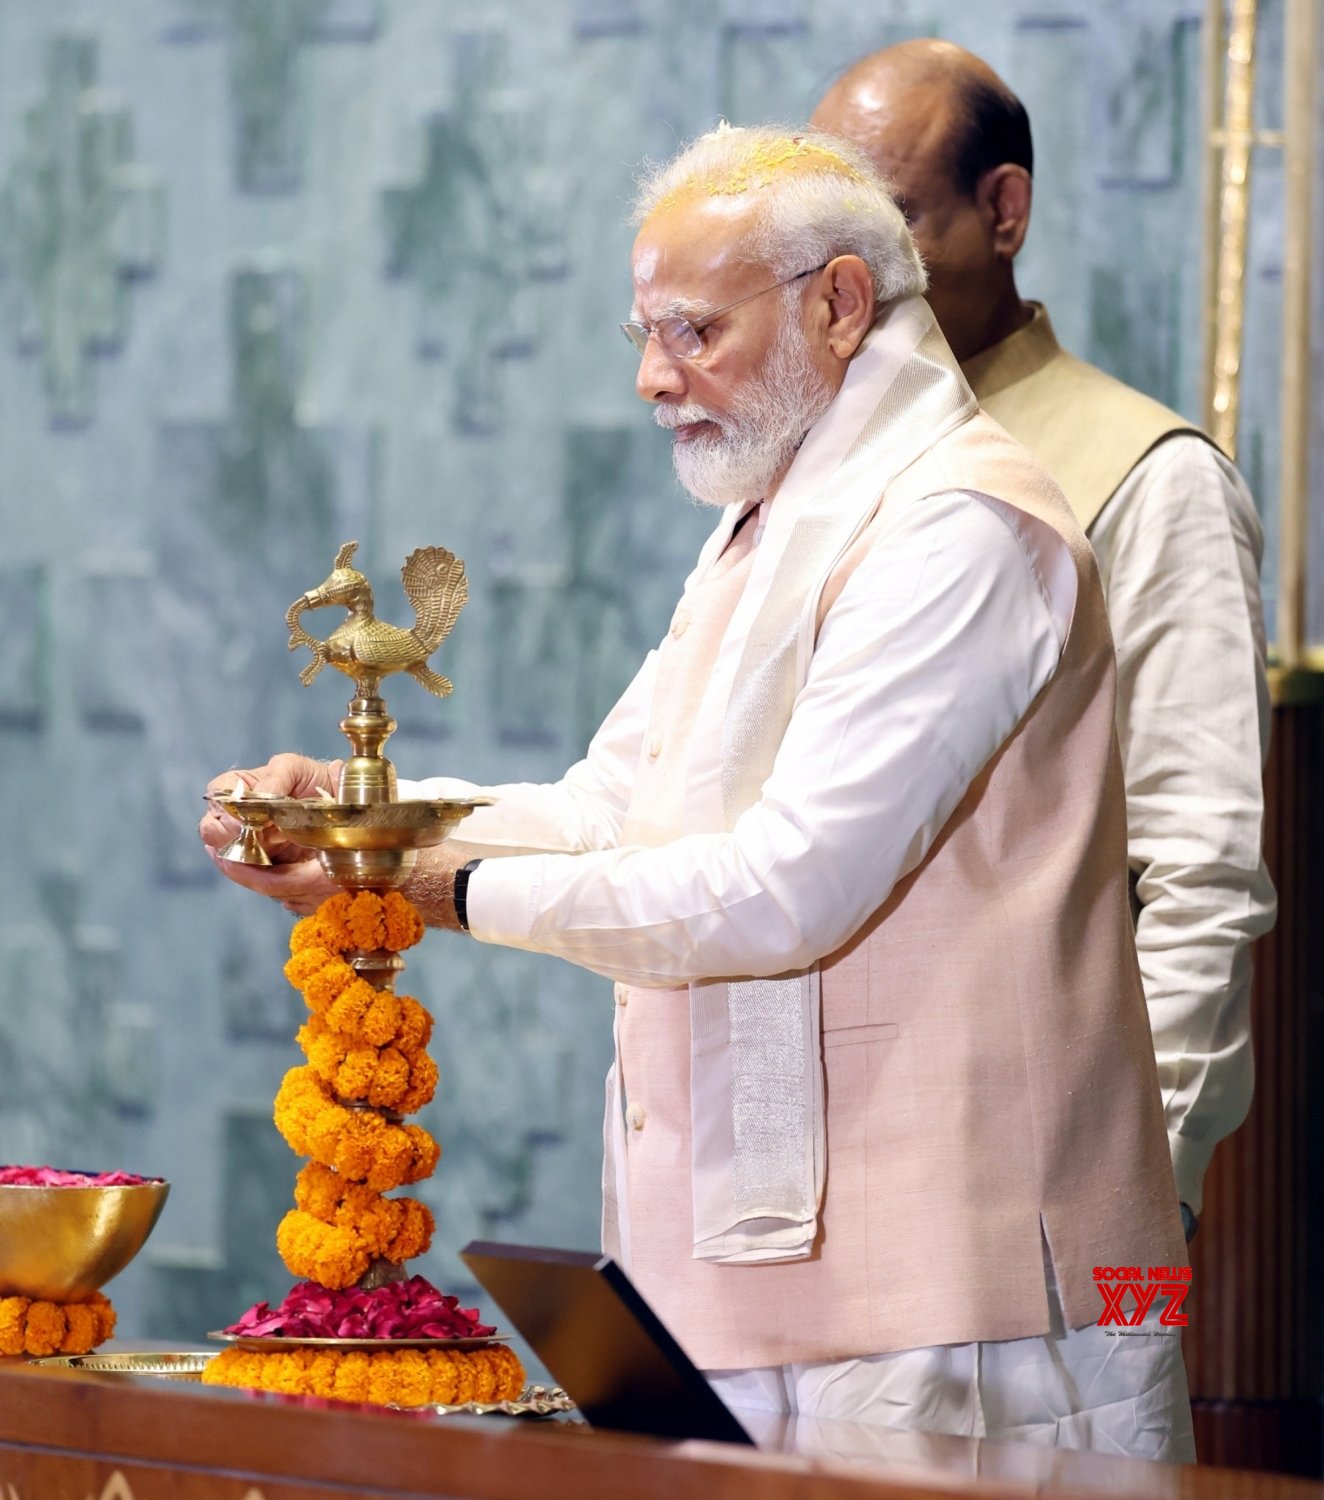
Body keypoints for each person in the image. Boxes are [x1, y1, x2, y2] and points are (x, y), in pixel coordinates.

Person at [202, 125, 1193, 1459]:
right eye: (642, 336)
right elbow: (617, 805)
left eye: (690, 331)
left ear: (840, 305)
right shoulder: (769, 528)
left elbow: (789, 888)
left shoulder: (959, 523)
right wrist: (368, 820)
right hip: (760, 1287)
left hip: (963, 1294)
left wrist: (441, 886)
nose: (655, 379)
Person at [812, 41, 1276, 1243]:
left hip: (1069, 1178)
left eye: (889, 221)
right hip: (837, 1160)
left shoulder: (1150, 476)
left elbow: (1199, 868)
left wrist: (1148, 1203)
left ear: (1001, 209)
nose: (845, 276)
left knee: (1092, 1436)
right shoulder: (809, 478)